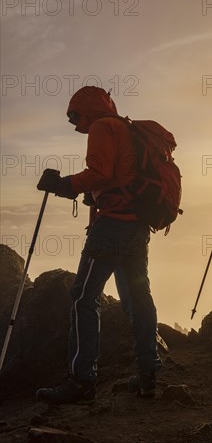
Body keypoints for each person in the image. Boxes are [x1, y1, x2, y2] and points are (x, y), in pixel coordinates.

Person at [35, 86, 161, 404]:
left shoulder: (103, 126)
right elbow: (117, 176)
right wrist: (91, 193)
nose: (74, 121)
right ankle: (149, 375)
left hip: (112, 227)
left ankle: (81, 380)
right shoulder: (127, 130)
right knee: (137, 299)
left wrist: (63, 184)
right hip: (136, 225)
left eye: (75, 114)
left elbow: (100, 172)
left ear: (86, 109)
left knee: (83, 298)